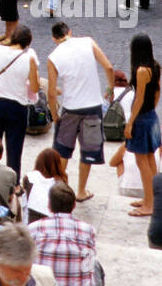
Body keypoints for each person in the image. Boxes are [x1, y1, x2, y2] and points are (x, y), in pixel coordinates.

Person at [46, 22, 114, 202]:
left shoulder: (53, 57)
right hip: (93, 107)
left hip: (70, 108)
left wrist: (54, 115)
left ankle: (60, 188)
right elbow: (108, 67)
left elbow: (51, 93)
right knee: (88, 150)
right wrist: (110, 89)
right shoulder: (88, 42)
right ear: (70, 32)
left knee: (62, 149)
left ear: (54, 39)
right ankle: (81, 190)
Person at [30, 184, 103, 286]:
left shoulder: (34, 228)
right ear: (74, 206)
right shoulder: (88, 230)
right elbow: (88, 265)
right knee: (96, 265)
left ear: (49, 205)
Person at [0, 26, 39, 180]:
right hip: (16, 105)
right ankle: (13, 183)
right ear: (28, 42)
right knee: (14, 148)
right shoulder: (30, 59)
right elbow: (35, 87)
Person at [124, 32, 162, 219]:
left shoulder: (140, 71)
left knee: (142, 162)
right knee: (150, 160)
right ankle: (152, 198)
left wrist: (130, 122)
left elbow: (138, 99)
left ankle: (149, 204)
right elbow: (156, 93)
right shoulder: (155, 67)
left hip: (140, 118)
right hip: (151, 116)